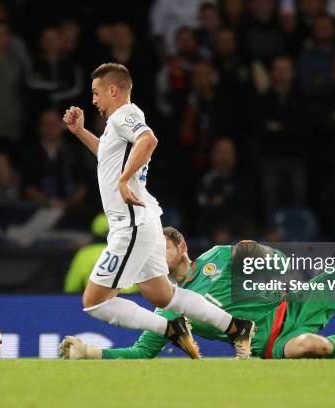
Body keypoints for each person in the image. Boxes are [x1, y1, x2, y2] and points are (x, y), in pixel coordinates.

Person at [62, 62, 255, 359]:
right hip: (144, 219)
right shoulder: (117, 124)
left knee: (95, 302)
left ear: (113, 90)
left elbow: (148, 139)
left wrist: (125, 180)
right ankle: (236, 326)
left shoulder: (125, 114)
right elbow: (109, 156)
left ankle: (170, 329)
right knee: (161, 294)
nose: (93, 100)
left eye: (96, 93)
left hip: (131, 224)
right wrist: (81, 132)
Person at [60, 227, 335, 360]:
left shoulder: (218, 256)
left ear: (181, 246)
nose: (155, 254)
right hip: (272, 340)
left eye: (161, 246)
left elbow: (280, 264)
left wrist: (262, 254)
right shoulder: (169, 309)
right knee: (313, 346)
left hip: (294, 299)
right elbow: (141, 352)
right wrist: (90, 352)